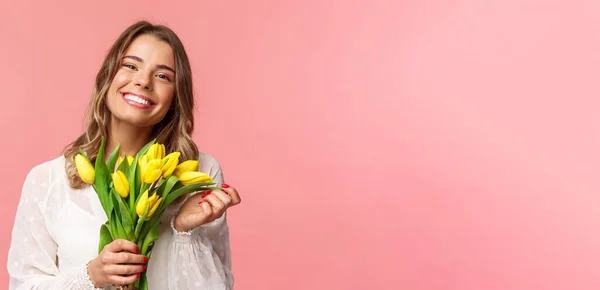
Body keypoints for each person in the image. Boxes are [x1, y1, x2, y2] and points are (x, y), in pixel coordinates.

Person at [6, 20, 242, 289]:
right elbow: (23, 285)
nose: (143, 81)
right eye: (130, 66)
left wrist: (183, 230)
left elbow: (219, 285)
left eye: (163, 76)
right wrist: (91, 276)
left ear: (176, 98)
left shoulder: (198, 174)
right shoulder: (47, 180)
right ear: (108, 76)